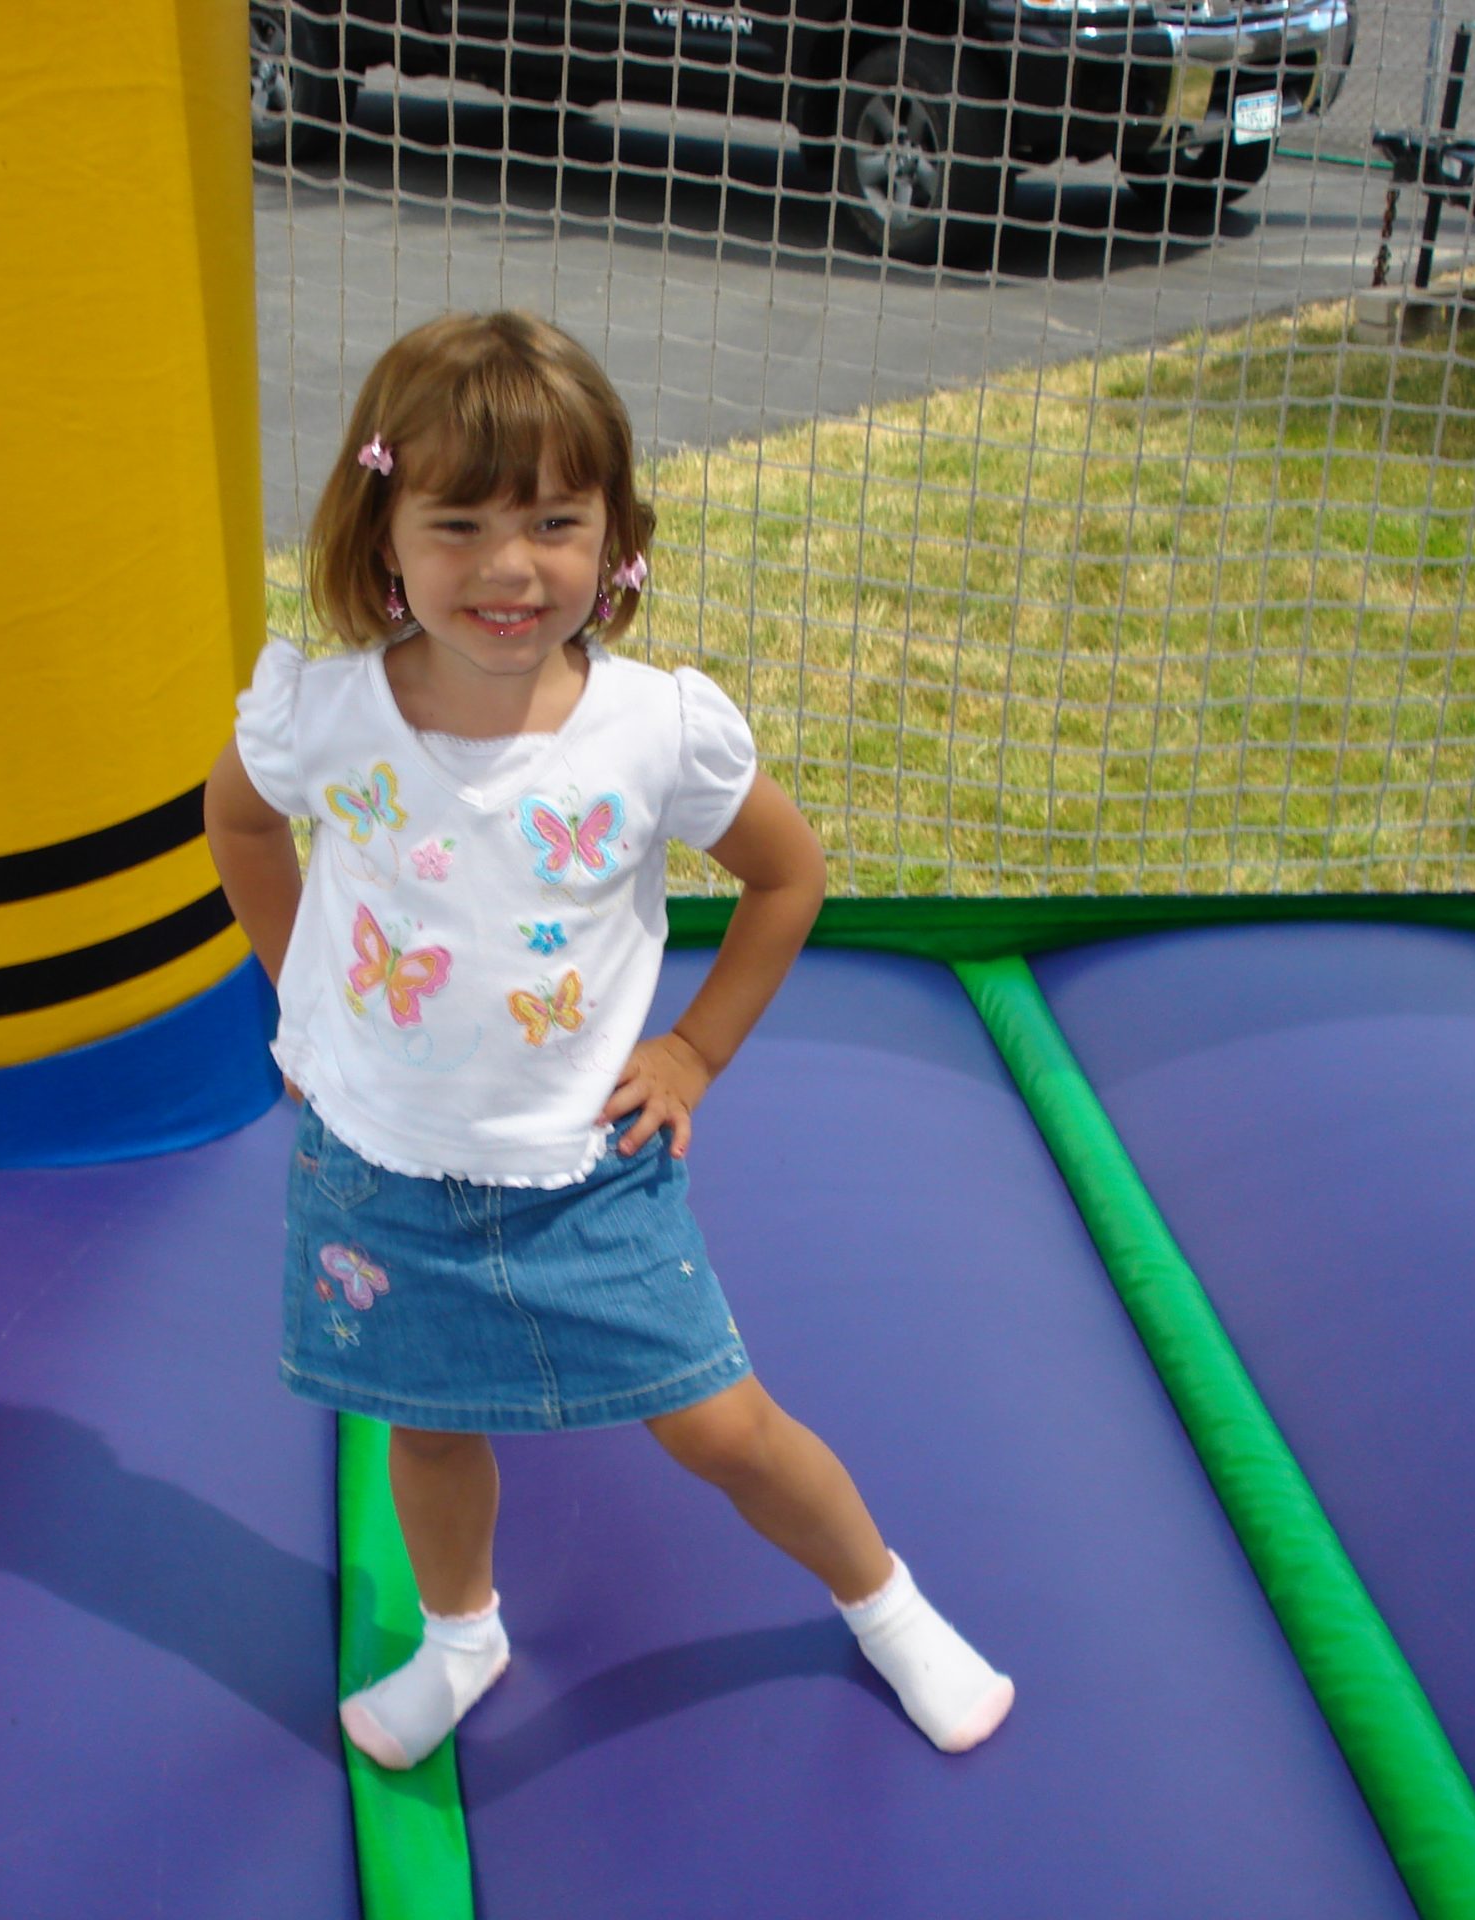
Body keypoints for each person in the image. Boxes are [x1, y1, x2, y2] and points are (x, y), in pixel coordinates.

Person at [205, 311, 1012, 1770]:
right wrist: (297, 987)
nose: (509, 569)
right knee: (430, 1428)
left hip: (589, 1170)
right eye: (457, 525)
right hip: (379, 1169)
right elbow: (241, 821)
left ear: (615, 539)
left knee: (718, 1429)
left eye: (555, 525)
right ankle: (464, 1636)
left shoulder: (653, 732)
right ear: (382, 532)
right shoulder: (327, 717)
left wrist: (695, 1052)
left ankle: (882, 1601)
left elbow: (789, 875)